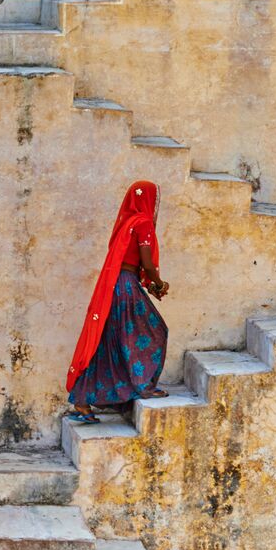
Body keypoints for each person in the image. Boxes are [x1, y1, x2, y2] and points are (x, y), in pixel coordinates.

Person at [66, 181, 169, 423]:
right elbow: (145, 261)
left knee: (107, 342)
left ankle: (82, 402)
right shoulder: (142, 223)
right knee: (157, 331)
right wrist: (159, 282)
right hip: (126, 286)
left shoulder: (126, 224)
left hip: (117, 286)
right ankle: (143, 385)